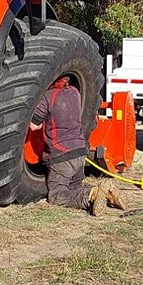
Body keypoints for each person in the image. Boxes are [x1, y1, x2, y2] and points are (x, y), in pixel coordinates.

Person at [29, 76, 121, 216]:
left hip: (62, 155)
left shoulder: (48, 97)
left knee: (57, 195)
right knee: (74, 188)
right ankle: (106, 192)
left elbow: (34, 126)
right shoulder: (75, 92)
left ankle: (91, 195)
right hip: (79, 151)